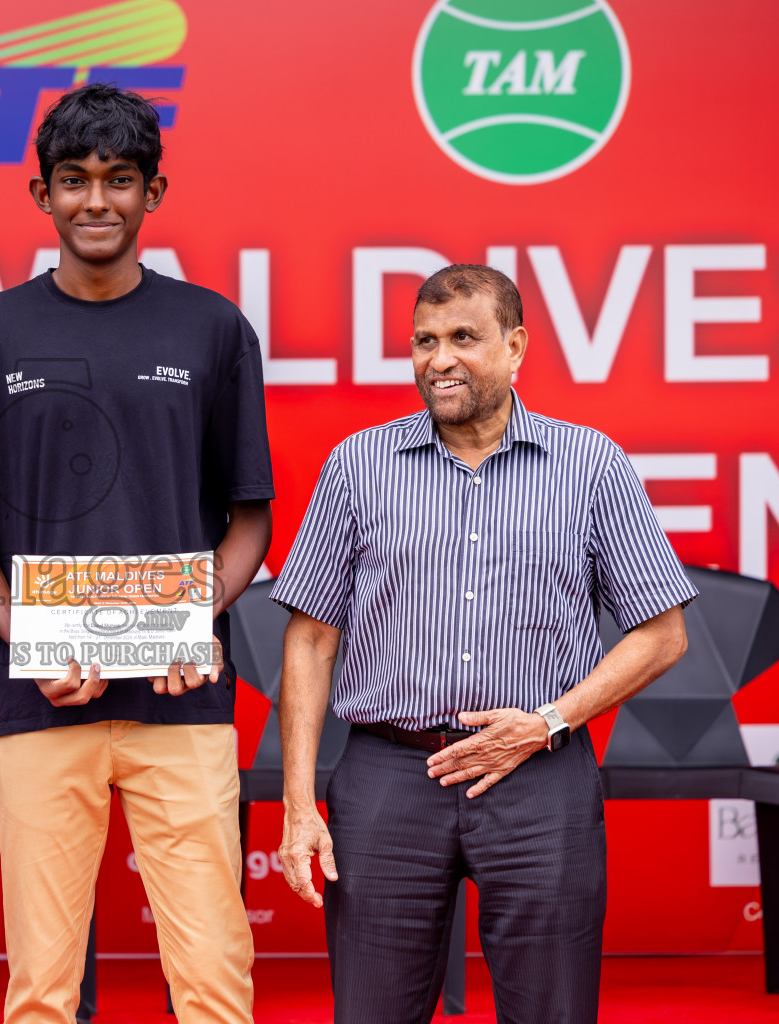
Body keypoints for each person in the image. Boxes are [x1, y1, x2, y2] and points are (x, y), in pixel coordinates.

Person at [0, 83, 274, 1023]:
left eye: (120, 179)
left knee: (213, 982)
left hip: (182, 700)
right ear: (41, 195)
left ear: (155, 191)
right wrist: (32, 634)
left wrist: (186, 623)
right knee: (40, 989)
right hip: (44, 704)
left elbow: (249, 521)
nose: (97, 201)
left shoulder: (213, 328)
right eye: (73, 180)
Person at [271, 265, 695, 1024]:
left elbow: (662, 634)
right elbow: (308, 637)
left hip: (540, 777)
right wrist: (299, 802)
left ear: (516, 344)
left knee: (552, 1013)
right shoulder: (358, 465)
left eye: (463, 338)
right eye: (424, 341)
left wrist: (548, 722)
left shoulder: (591, 465)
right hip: (387, 780)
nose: (439, 360)